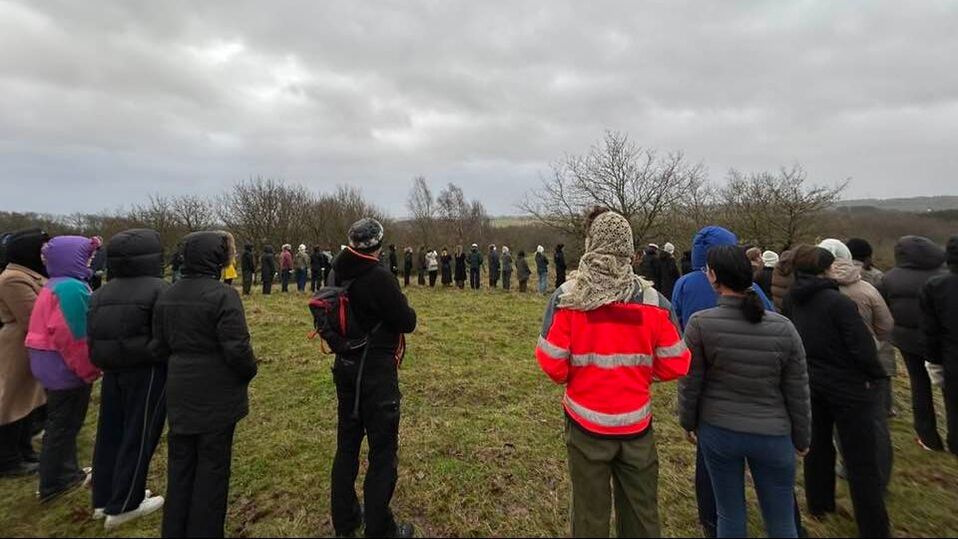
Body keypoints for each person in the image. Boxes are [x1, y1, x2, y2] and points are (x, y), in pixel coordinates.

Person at [536, 208, 691, 538]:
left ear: (591, 244)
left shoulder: (567, 298)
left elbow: (552, 363)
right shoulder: (655, 302)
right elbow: (676, 362)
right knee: (642, 513)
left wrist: (581, 374)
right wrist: (637, 372)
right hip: (636, 424)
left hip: (584, 424)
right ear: (630, 250)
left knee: (590, 515)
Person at [679, 245, 810, 538]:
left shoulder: (701, 324)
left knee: (729, 513)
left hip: (720, 431)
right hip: (774, 435)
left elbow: (690, 381)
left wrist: (687, 422)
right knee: (781, 519)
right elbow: (798, 388)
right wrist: (802, 436)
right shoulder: (784, 327)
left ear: (713, 276)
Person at [670, 226, 777, 538]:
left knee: (710, 460)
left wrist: (686, 414)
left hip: (707, 386)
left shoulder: (684, 285)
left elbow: (676, 322)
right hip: (756, 387)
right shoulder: (751, 290)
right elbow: (770, 323)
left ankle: (712, 520)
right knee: (770, 473)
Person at [151, 231, 257, 538]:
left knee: (180, 468)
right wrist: (248, 372)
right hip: (216, 393)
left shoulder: (167, 294)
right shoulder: (223, 296)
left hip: (180, 391)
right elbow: (237, 349)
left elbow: (158, 345)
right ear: (218, 258)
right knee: (212, 469)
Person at [784, 245, 890, 538]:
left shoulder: (793, 299)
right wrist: (874, 374)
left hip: (810, 380)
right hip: (847, 386)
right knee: (860, 459)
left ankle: (819, 503)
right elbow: (861, 346)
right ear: (827, 269)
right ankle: (873, 525)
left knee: (817, 446)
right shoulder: (838, 303)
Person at [328, 218, 417, 539]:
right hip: (376, 373)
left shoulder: (337, 270)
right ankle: (380, 529)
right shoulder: (379, 276)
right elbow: (407, 321)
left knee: (347, 447)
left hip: (345, 367)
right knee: (382, 452)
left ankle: (345, 521)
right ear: (379, 243)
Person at [88, 229, 168, 528]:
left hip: (111, 371)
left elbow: (93, 335)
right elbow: (164, 334)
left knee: (110, 432)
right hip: (147, 371)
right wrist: (158, 354)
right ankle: (124, 503)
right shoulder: (160, 289)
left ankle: (104, 496)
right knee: (140, 432)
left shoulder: (102, 292)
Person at [26, 235, 103, 502]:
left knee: (62, 423)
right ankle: (52, 484)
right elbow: (74, 336)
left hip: (48, 363)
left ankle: (66, 473)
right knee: (64, 425)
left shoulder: (55, 284)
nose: (90, 259)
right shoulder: (71, 289)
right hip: (65, 367)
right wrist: (89, 369)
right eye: (87, 255)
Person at [819, 238, 895, 490]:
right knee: (875, 423)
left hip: (831, 364)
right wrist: (873, 347)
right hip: (869, 365)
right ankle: (878, 477)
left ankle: (847, 466)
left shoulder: (816, 291)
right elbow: (885, 326)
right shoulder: (867, 288)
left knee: (839, 424)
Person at [882, 235, 948, 451]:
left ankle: (927, 437)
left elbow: (884, 308)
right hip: (941, 339)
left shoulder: (889, 278)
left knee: (919, 385)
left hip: (907, 339)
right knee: (950, 385)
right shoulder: (944, 274)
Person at [0, 229, 49, 478]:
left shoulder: (31, 275)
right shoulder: (13, 279)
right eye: (41, 250)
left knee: (29, 399)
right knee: (12, 400)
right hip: (18, 345)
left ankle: (25, 450)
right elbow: (32, 317)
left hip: (31, 344)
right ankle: (7, 459)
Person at [672, 227, 774, 332]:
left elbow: (675, 321)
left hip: (695, 342)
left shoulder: (683, 283)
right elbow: (769, 318)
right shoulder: (746, 284)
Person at [920, 235, 958, 456]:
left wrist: (933, 362)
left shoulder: (936, 286)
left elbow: (930, 330)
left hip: (952, 357)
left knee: (954, 405)